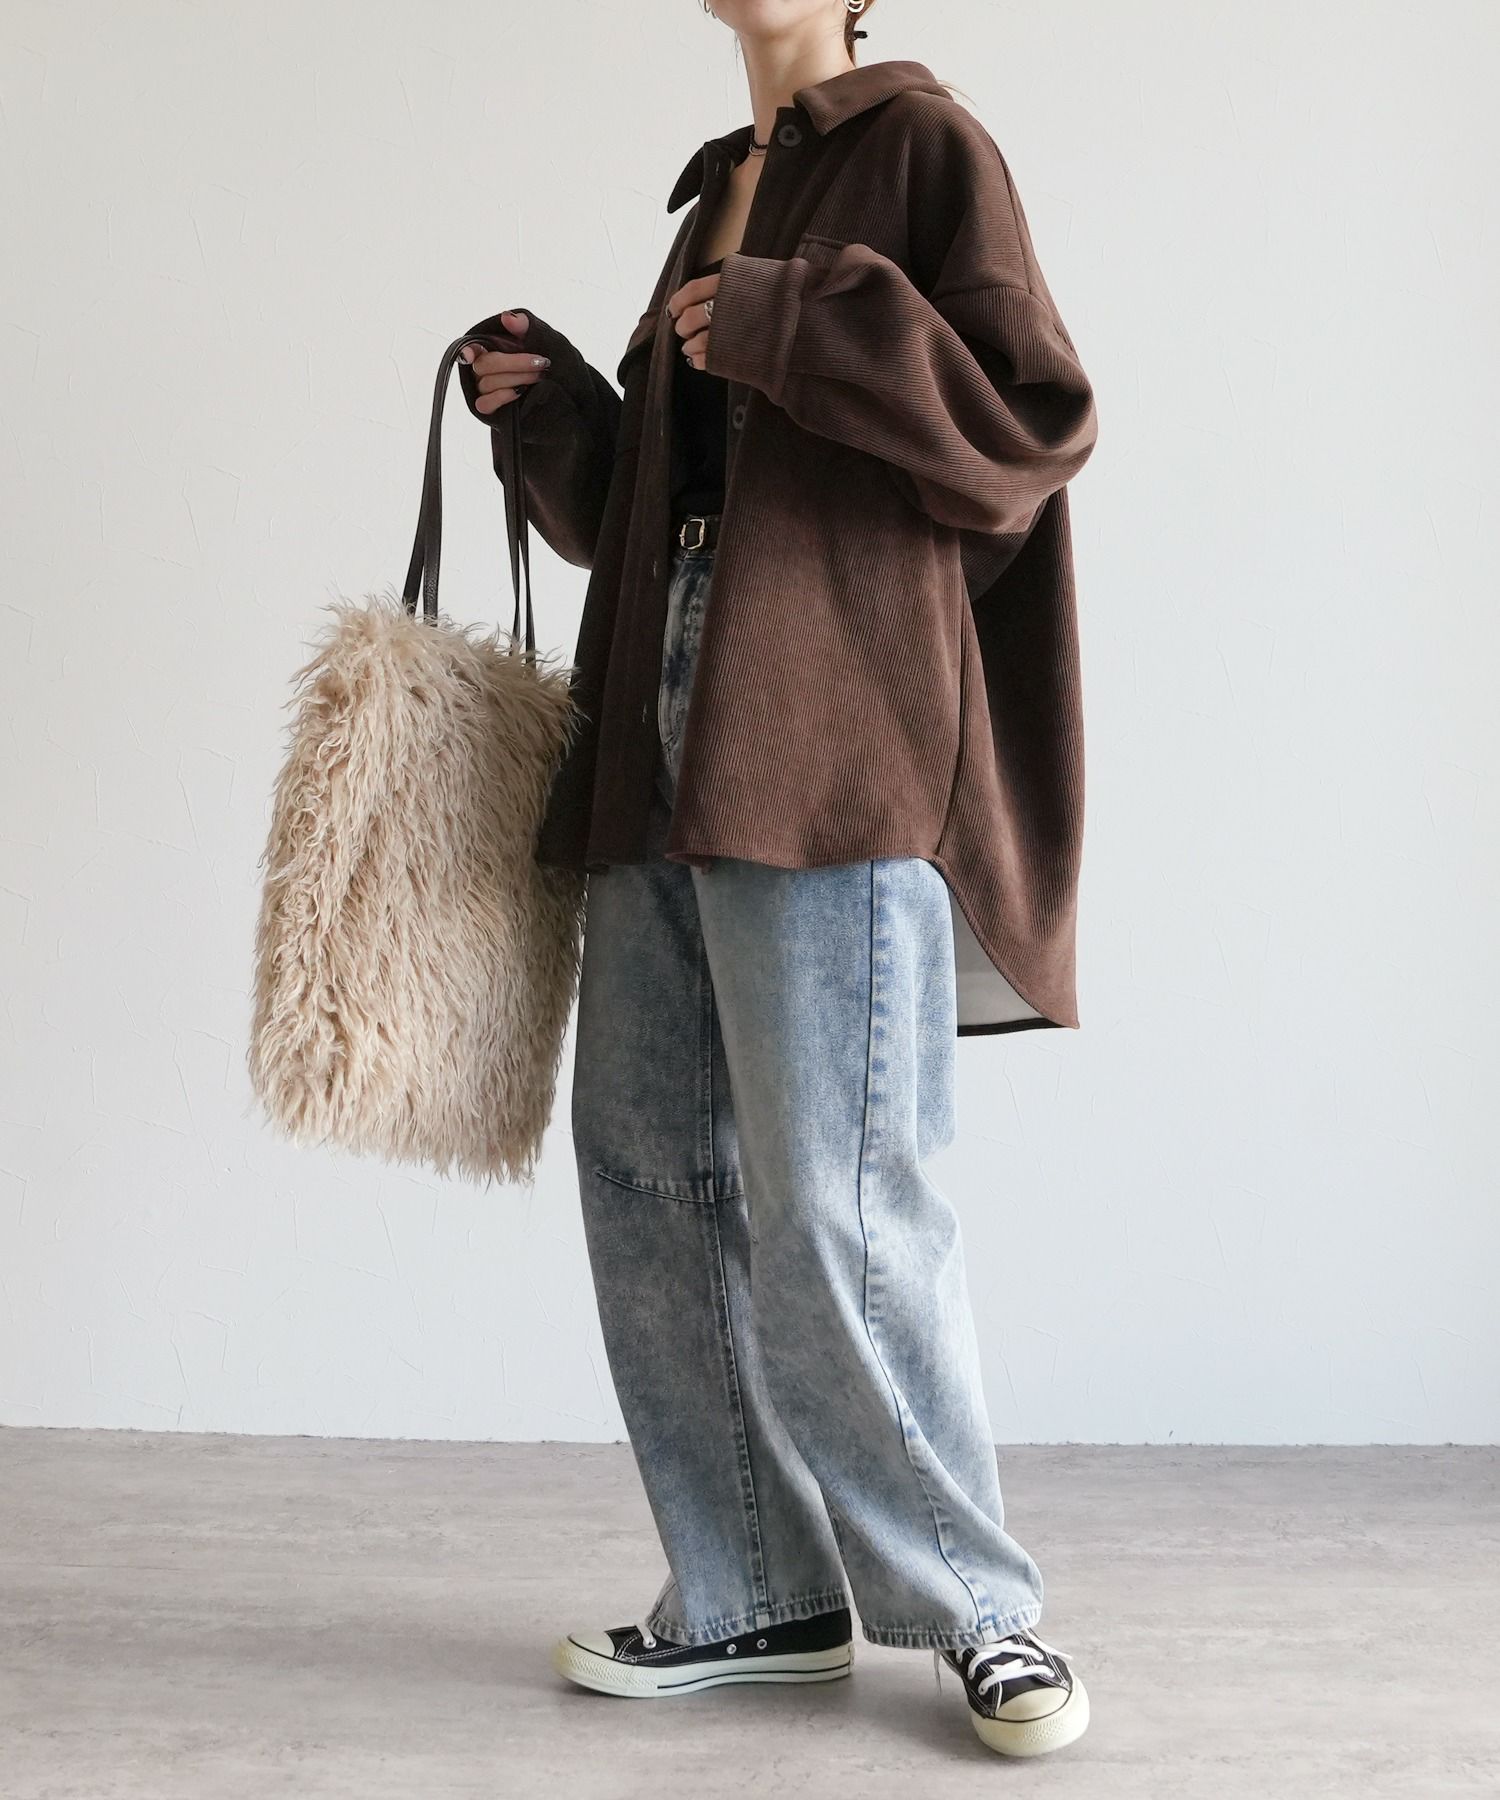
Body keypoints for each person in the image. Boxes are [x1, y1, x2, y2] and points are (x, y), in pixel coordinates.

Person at [458, 0, 1098, 1762]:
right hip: (668, 710)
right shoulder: (721, 191)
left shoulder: (928, 151)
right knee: (649, 1169)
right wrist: (561, 412)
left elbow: (1027, 431)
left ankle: (979, 1608)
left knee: (842, 1190)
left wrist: (798, 321)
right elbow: (676, 510)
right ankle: (751, 1585)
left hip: (826, 732)